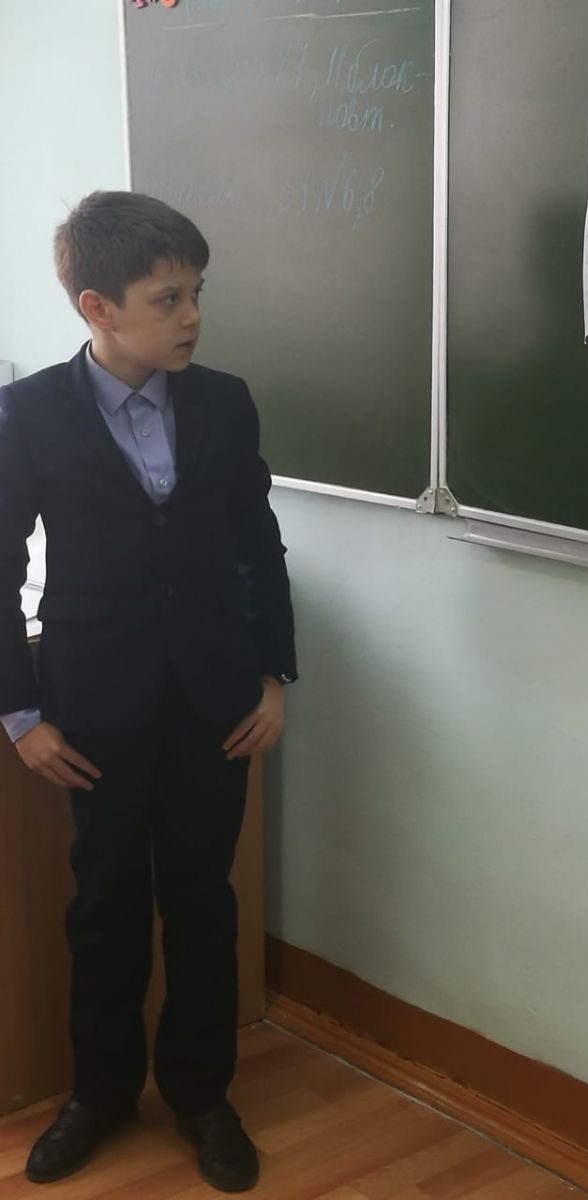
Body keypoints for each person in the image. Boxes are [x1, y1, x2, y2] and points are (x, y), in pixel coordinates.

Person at [0, 191, 297, 1192]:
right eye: (169, 298)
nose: (193, 316)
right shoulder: (29, 413)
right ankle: (100, 1093)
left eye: (197, 293)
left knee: (203, 905)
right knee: (105, 904)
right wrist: (20, 714)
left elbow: (257, 545)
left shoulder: (223, 401)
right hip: (94, 706)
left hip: (216, 702)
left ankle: (203, 1095)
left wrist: (273, 673)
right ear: (98, 306)